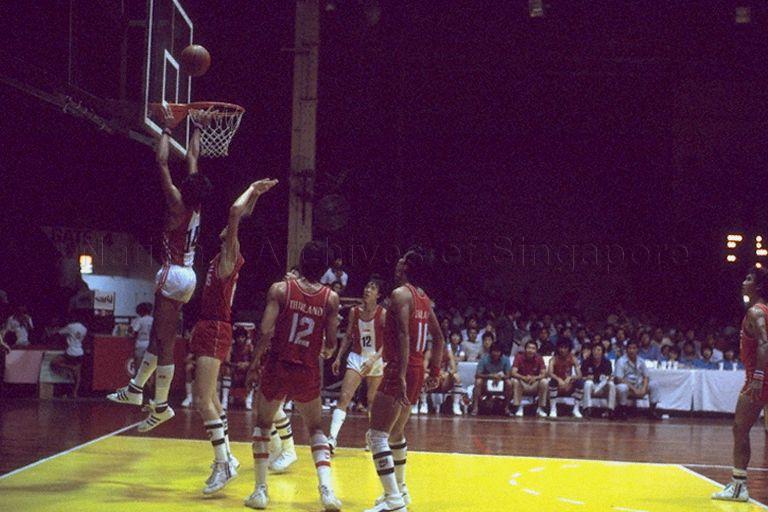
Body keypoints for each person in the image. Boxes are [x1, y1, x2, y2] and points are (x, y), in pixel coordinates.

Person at [108, 108, 212, 432]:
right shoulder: (197, 204)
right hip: (188, 275)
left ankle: (162, 405)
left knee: (165, 342)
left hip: (174, 273)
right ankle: (136, 388)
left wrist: (167, 129)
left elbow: (162, 162)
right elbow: (193, 157)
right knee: (157, 335)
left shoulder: (177, 203)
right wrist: (197, 127)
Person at [186, 178, 277, 495]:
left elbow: (236, 213)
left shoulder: (229, 256)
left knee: (201, 400)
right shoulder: (220, 258)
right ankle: (227, 457)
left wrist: (252, 189)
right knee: (211, 398)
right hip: (208, 325)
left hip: (215, 327)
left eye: (232, 228)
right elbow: (242, 215)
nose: (227, 227)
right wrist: (256, 199)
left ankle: (223, 463)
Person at [244, 241, 343, 510]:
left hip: (278, 365)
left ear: (300, 260)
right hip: (307, 368)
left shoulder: (280, 289)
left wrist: (253, 364)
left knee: (263, 426)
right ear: (324, 268)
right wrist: (321, 348)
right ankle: (326, 491)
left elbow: (266, 329)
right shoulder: (330, 298)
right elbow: (331, 345)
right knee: (316, 430)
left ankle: (260, 491)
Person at [364, 247, 444, 512]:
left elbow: (404, 336)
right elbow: (439, 338)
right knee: (396, 432)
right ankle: (401, 490)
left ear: (407, 267)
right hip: (417, 368)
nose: (396, 265)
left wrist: (399, 374)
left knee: (376, 435)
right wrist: (434, 372)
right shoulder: (424, 298)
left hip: (402, 367)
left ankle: (394, 500)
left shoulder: (400, 294)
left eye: (400, 262)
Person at [713, 267, 768, 502]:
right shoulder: (763, 310)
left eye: (749, 279)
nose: (744, 282)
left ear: (758, 286)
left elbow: (764, 344)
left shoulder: (756, 312)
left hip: (759, 379)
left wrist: (758, 378)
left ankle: (738, 486)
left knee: (740, 428)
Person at [329, 276, 387, 452]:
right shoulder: (354, 312)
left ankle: (372, 437)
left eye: (373, 288)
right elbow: (348, 336)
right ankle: (332, 439)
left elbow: (388, 342)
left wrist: (373, 360)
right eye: (367, 287)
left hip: (375, 359)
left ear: (378, 295)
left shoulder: (382, 314)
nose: (368, 290)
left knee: (372, 401)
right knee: (344, 397)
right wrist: (338, 357)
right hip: (356, 357)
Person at [615, 339, 661, 421]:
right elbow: (619, 379)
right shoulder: (621, 361)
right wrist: (634, 389)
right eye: (630, 348)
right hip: (628, 386)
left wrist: (643, 388)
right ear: (626, 350)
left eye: (634, 348)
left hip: (639, 385)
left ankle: (652, 411)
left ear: (637, 350)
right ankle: (622, 411)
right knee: (622, 388)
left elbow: (646, 376)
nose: (632, 350)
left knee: (654, 384)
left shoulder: (641, 361)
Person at [470, 342, 512, 416]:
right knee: (478, 381)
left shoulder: (506, 359)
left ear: (501, 352)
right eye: (494, 351)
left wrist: (500, 377)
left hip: (500, 382)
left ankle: (507, 408)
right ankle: (475, 407)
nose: (496, 353)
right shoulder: (484, 359)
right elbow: (477, 375)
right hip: (486, 382)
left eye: (498, 351)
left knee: (509, 383)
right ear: (490, 352)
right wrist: (491, 376)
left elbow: (508, 375)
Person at [510, 340, 548, 417]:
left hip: (534, 384)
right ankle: (519, 407)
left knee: (544, 382)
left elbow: (544, 374)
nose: (530, 350)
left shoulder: (539, 358)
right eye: (529, 348)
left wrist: (535, 378)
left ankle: (540, 408)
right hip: (522, 383)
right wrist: (523, 377)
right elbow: (513, 372)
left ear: (536, 350)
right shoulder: (519, 357)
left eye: (533, 348)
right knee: (515, 381)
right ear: (525, 349)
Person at [547, 338, 584, 419]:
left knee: (580, 382)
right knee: (552, 381)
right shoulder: (553, 359)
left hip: (568, 385)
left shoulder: (573, 358)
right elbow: (549, 373)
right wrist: (558, 379)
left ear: (569, 348)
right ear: (557, 348)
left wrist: (570, 377)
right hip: (557, 386)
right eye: (561, 347)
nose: (562, 350)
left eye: (565, 348)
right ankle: (553, 409)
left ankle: (576, 409)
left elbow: (580, 375)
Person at [581, 343, 616, 418]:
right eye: (594, 350)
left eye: (599, 350)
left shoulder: (607, 363)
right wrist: (586, 378)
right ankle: (587, 409)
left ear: (602, 352)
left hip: (602, 387)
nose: (596, 352)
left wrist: (609, 378)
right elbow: (581, 377)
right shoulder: (586, 362)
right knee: (588, 383)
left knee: (611, 384)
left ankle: (610, 410)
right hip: (592, 387)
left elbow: (609, 377)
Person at [130, 303, 154, 384]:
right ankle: (150, 387)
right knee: (149, 368)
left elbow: (134, 332)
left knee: (139, 367)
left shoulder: (140, 320)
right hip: (150, 345)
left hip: (140, 344)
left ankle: (139, 386)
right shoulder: (153, 320)